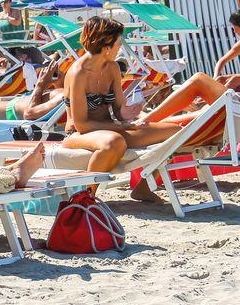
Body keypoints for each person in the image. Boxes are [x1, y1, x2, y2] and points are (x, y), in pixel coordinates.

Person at [61, 17, 186, 202]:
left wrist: (137, 115)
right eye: (119, 43)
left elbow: (120, 110)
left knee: (176, 133)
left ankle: (142, 188)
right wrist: (123, 127)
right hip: (78, 135)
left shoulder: (111, 67)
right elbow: (81, 125)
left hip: (110, 129)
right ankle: (86, 197)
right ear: (106, 46)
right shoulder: (78, 73)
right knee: (115, 142)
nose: (120, 47)